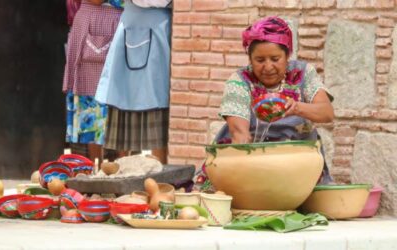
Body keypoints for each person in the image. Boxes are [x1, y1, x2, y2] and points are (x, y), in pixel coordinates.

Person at [198, 16, 334, 187]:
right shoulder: (240, 81)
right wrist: (248, 181)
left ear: (287, 55)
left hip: (299, 165)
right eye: (260, 60)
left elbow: (327, 113)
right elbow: (240, 135)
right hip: (251, 162)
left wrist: (297, 107)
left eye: (275, 59)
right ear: (250, 59)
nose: (268, 67)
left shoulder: (303, 73)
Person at [95, 0, 172, 164]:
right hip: (135, 24)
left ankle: (160, 175)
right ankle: (123, 170)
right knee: (123, 95)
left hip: (157, 27)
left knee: (156, 98)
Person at [62, 0, 123, 163]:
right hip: (93, 21)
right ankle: (97, 167)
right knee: (91, 103)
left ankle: (124, 168)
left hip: (123, 22)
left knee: (124, 102)